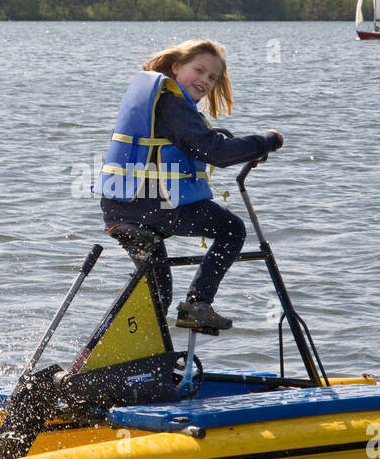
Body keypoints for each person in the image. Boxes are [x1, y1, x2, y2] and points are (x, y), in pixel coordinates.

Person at [95, 39, 283, 330]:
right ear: (176, 67)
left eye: (212, 77)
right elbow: (215, 152)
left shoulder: (155, 100)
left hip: (121, 209)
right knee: (232, 229)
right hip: (156, 206)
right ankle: (198, 304)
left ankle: (135, 360)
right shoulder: (174, 105)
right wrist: (265, 143)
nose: (205, 80)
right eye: (199, 70)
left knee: (158, 294)